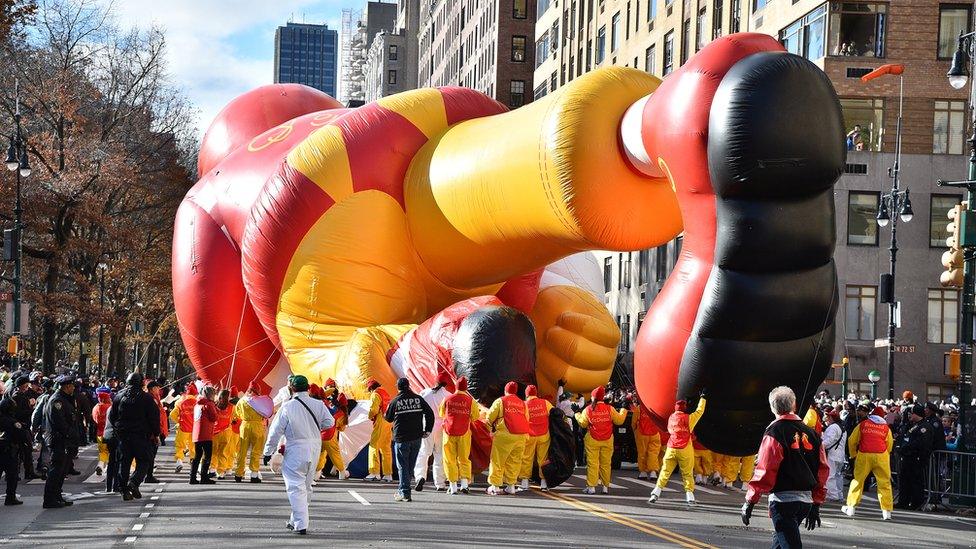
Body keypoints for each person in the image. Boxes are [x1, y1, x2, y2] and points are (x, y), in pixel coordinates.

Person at [741, 386, 829, 549]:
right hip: (805, 502)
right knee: (781, 544)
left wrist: (750, 500)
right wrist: (816, 502)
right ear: (794, 405)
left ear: (772, 407)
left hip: (783, 502)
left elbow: (765, 469)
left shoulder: (775, 431)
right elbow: (822, 470)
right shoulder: (813, 434)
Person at [262, 375, 334, 536]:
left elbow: (275, 431)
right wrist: (314, 429)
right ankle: (295, 520)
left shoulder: (287, 407)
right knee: (306, 486)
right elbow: (330, 422)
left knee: (295, 486)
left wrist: (268, 452)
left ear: (292, 388)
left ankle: (301, 524)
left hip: (295, 447)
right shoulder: (319, 404)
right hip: (314, 447)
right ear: (308, 388)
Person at [110, 372, 161, 502]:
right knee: (144, 461)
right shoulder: (147, 399)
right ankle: (134, 482)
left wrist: (118, 428)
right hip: (141, 436)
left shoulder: (119, 396)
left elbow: (112, 416)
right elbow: (154, 418)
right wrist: (156, 434)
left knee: (124, 463)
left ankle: (124, 490)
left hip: (123, 436)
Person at [648, 392, 707, 505]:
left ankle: (656, 492)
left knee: (665, 471)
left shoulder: (671, 417)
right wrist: (702, 398)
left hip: (671, 447)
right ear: (685, 409)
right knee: (687, 473)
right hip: (684, 448)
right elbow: (700, 411)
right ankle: (690, 495)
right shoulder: (688, 418)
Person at [384, 377, 435, 502]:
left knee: (402, 466)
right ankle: (404, 490)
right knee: (410, 465)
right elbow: (430, 414)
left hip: (402, 438)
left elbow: (388, 418)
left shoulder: (395, 401)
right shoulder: (418, 399)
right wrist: (427, 430)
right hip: (416, 437)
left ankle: (405, 492)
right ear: (409, 386)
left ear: (398, 387)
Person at [842, 404, 893, 520]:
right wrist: (886, 454)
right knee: (884, 483)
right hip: (881, 456)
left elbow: (852, 441)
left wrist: (853, 455)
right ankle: (886, 512)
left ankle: (851, 508)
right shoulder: (886, 428)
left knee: (858, 480)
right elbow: (889, 444)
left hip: (864, 455)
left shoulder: (863, 424)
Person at [575, 386, 627, 494]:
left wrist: (577, 413)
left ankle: (591, 487)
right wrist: (623, 409)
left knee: (592, 464)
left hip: (592, 440)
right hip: (607, 440)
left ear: (593, 397)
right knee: (606, 464)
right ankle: (605, 487)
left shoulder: (588, 409)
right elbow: (619, 421)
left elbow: (583, 423)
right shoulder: (610, 409)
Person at [486, 381, 530, 495]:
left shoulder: (500, 401)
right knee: (514, 461)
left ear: (505, 391)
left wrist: (490, 429)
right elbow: (527, 418)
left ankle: (495, 486)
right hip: (521, 436)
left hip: (504, 435)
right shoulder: (523, 403)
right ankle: (511, 486)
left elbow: (489, 417)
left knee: (497, 460)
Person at [42, 375, 80, 509]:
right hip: (59, 440)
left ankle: (56, 496)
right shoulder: (57, 401)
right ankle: (49, 499)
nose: (73, 388)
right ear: (66, 386)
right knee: (56, 470)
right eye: (72, 386)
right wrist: (70, 434)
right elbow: (59, 423)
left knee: (62, 471)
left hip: (65, 441)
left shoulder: (65, 400)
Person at [413, 373, 453, 492]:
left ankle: (420, 476)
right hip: (442, 427)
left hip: (427, 426)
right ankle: (440, 483)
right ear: (446, 383)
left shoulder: (425, 393)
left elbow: (418, 409)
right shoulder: (448, 396)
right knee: (439, 455)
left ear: (435, 381)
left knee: (423, 453)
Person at [440, 376, 479, 495]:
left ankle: (452, 486)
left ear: (456, 387)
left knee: (449, 459)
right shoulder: (470, 401)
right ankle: (464, 485)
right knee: (464, 459)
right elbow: (476, 417)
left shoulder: (447, 399)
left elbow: (441, 414)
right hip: (464, 433)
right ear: (466, 388)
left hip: (448, 432)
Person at [896, 404, 933, 510]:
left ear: (917, 414)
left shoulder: (924, 427)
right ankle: (903, 501)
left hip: (916, 458)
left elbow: (921, 443)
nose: (910, 415)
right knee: (904, 480)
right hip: (907, 457)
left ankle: (916, 503)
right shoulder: (913, 425)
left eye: (912, 413)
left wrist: (907, 448)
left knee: (915, 481)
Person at [519, 384, 554, 491]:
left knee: (526, 458)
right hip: (544, 435)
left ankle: (524, 483)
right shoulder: (545, 403)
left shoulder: (523, 404)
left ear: (526, 394)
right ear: (536, 394)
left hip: (529, 435)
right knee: (542, 459)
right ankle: (543, 484)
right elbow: (554, 414)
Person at [234, 382, 268, 483]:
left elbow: (237, 413)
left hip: (245, 426)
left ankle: (238, 474)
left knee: (242, 451)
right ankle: (254, 475)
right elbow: (266, 413)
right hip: (258, 426)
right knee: (256, 451)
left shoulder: (242, 400)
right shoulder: (260, 401)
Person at [0, 396, 28, 505]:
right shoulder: (13, 422)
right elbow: (21, 436)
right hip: (9, 452)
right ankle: (10, 497)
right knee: (12, 476)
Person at [365, 378, 393, 482]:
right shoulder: (385, 392)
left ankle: (374, 472)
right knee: (386, 449)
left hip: (380, 420)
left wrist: (369, 416)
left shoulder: (375, 394)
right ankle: (388, 474)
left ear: (371, 388)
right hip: (389, 421)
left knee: (373, 446)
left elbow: (374, 410)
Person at [316, 392, 349, 481]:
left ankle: (316, 474)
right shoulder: (342, 414)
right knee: (335, 455)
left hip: (321, 435)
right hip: (331, 436)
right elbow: (341, 428)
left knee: (320, 455)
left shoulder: (330, 409)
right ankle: (342, 473)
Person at [190, 386, 218, 485]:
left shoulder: (197, 404)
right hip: (206, 433)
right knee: (207, 455)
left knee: (197, 455)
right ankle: (204, 477)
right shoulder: (209, 404)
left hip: (197, 433)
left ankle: (192, 477)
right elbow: (214, 417)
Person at [631, 398, 661, 480]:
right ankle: (653, 472)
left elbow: (633, 422)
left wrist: (635, 431)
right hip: (655, 433)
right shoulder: (657, 408)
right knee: (653, 453)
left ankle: (643, 472)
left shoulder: (639, 409)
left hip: (642, 433)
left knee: (642, 453)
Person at [170, 383, 198, 472]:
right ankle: (193, 463)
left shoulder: (180, 402)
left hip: (183, 428)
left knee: (180, 446)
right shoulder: (198, 402)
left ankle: (179, 461)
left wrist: (179, 421)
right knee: (193, 447)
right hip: (194, 429)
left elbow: (172, 414)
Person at [144, 380, 168, 484]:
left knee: (152, 454)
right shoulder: (151, 399)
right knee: (150, 455)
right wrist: (157, 433)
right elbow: (154, 417)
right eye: (157, 388)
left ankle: (148, 475)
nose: (159, 389)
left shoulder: (155, 398)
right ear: (153, 388)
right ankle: (148, 476)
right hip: (152, 432)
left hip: (156, 429)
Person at [821, 410, 847, 502]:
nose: (827, 418)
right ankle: (839, 494)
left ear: (832, 418)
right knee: (838, 475)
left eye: (829, 417)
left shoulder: (833, 427)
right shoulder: (842, 427)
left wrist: (821, 446)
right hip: (840, 455)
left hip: (832, 454)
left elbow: (829, 440)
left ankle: (832, 495)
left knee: (830, 475)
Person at [212, 389, 235, 479]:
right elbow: (234, 418)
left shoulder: (214, 405)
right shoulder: (232, 407)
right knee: (223, 452)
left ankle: (212, 469)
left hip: (215, 432)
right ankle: (221, 472)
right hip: (226, 432)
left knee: (213, 452)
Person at [92, 388, 112, 476]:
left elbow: (94, 419)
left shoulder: (96, 408)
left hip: (99, 433)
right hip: (109, 433)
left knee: (103, 452)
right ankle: (108, 467)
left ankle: (100, 465)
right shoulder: (110, 407)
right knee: (111, 452)